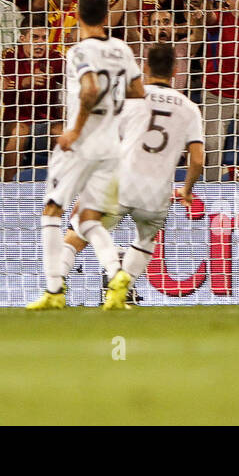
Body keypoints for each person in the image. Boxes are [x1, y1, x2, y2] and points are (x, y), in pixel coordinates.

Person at [27, 0, 145, 310]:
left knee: (52, 210)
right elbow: (138, 91)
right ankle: (115, 271)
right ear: (108, 16)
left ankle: (53, 290)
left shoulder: (78, 51)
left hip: (81, 145)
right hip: (112, 146)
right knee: (89, 218)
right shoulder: (123, 49)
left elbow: (90, 88)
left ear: (76, 15)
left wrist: (74, 130)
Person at [80, 40, 206, 309]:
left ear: (144, 66)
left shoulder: (130, 98)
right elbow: (197, 159)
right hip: (159, 188)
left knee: (93, 228)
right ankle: (123, 286)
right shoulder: (189, 107)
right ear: (175, 70)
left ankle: (113, 272)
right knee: (146, 239)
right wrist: (186, 189)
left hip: (123, 180)